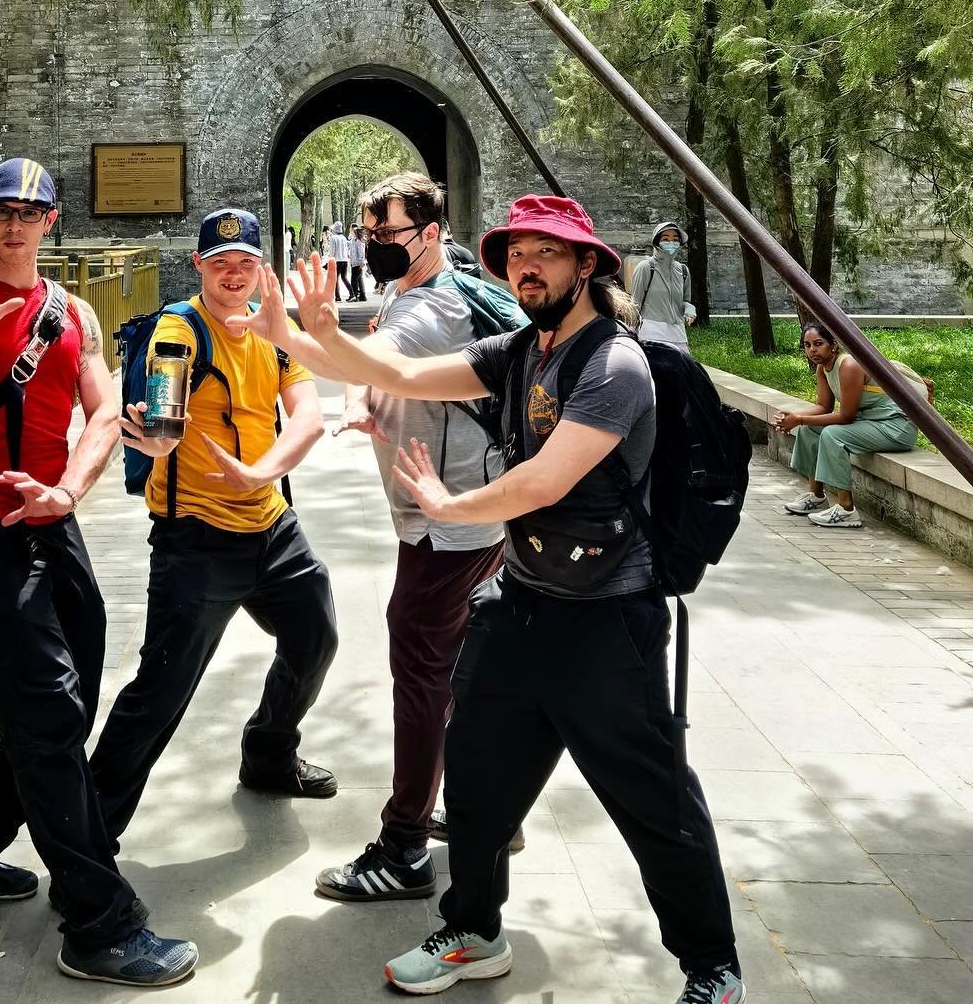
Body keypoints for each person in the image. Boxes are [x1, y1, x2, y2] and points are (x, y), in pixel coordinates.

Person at [239, 194, 743, 1004]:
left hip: (608, 622)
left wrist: (450, 506)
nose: (526, 267)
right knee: (473, 780)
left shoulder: (613, 365)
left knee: (652, 801)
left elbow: (545, 478)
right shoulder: (517, 350)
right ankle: (473, 930)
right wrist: (302, 336)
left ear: (588, 266)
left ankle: (711, 968)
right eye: (515, 256)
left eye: (545, 253)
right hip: (522, 606)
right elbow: (395, 372)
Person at [0, 156, 197, 988]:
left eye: (30, 211)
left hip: (52, 522)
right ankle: (98, 922)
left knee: (68, 701)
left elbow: (104, 409)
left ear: (51, 220)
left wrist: (68, 486)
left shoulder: (71, 314)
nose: (14, 223)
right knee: (44, 715)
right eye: (1, 209)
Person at [89, 205, 338, 843]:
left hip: (270, 525)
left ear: (261, 269)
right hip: (196, 537)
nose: (233, 275)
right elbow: (165, 425)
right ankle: (88, 841)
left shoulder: (270, 330)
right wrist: (157, 439)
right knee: (163, 690)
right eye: (220, 263)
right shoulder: (180, 331)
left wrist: (263, 474)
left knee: (315, 637)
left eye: (245, 264)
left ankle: (269, 754)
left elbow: (307, 416)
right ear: (199, 265)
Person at [304, 172, 521, 904]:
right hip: (458, 513)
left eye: (388, 236)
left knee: (422, 674)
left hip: (444, 520)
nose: (376, 248)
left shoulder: (437, 306)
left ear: (430, 235)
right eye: (369, 236)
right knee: (456, 670)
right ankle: (480, 810)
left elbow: (372, 358)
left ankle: (403, 847)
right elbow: (384, 375)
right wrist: (372, 404)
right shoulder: (409, 289)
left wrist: (294, 332)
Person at [777, 321, 924, 529]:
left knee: (832, 435)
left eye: (818, 343)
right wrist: (793, 418)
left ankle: (846, 509)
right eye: (807, 345)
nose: (812, 350)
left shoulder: (848, 365)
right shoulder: (823, 368)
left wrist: (799, 418)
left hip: (895, 427)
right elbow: (822, 407)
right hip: (869, 423)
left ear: (833, 345)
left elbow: (846, 416)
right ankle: (816, 497)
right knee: (809, 429)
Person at [631, 223, 697, 349]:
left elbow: (684, 301)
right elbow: (635, 304)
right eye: (666, 239)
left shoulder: (683, 270)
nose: (671, 242)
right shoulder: (646, 267)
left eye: (675, 240)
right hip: (652, 332)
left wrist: (689, 310)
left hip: (678, 334)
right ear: (657, 242)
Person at [328, 221, 351, 298]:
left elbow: (332, 251)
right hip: (345, 260)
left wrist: (330, 260)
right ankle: (352, 294)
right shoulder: (344, 238)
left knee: (335, 278)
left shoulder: (333, 238)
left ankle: (337, 296)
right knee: (344, 278)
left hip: (337, 261)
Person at [346, 224, 368, 301]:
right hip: (355, 262)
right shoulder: (355, 240)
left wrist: (361, 262)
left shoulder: (359, 241)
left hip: (357, 262)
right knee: (359, 278)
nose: (352, 232)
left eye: (354, 232)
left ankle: (355, 294)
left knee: (354, 279)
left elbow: (361, 253)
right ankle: (362, 295)